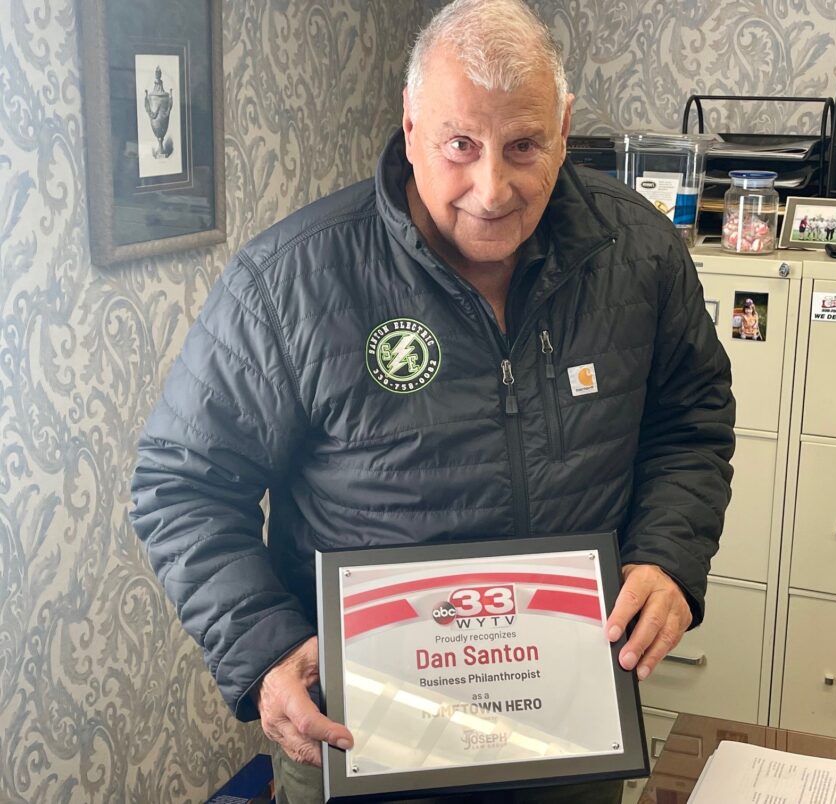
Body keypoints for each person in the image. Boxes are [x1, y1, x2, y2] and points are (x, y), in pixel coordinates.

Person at [129, 1, 735, 802]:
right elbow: (183, 483)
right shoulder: (290, 282)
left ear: (564, 126)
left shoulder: (639, 251)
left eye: (524, 145)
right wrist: (264, 650)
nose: (493, 188)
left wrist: (666, 556)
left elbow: (689, 423)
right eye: (460, 145)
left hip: (566, 722)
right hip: (361, 734)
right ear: (410, 126)